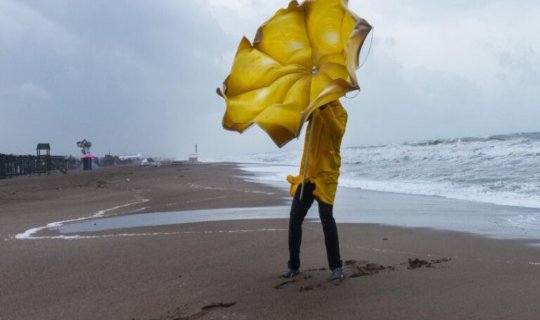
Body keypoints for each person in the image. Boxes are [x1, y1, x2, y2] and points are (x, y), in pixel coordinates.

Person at [282, 100, 347, 281]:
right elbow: (298, 124)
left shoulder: (341, 112)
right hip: (308, 174)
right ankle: (293, 265)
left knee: (326, 217)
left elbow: (337, 132)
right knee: (295, 216)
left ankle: (336, 266)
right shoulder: (313, 111)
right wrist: (307, 111)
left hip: (327, 175)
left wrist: (324, 109)